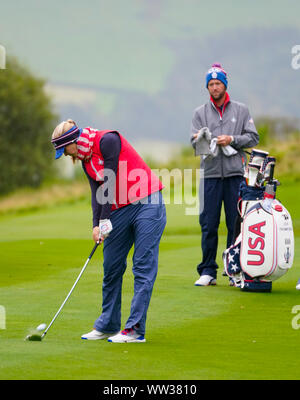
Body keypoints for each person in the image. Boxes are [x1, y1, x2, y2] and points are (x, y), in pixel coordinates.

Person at [51, 120, 166, 342]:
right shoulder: (86, 161)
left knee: (142, 266)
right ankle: (108, 324)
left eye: (64, 150)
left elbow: (109, 182)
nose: (65, 155)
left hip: (147, 202)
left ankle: (134, 330)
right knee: (112, 265)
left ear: (73, 142)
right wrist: (96, 225)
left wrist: (105, 219)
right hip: (120, 209)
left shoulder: (107, 140)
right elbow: (97, 193)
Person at [190, 63, 259, 286]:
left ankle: (234, 269)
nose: (214, 87)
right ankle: (208, 270)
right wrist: (201, 138)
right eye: (210, 84)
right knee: (209, 223)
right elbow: (193, 143)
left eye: (218, 83)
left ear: (225, 85)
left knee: (235, 222)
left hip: (235, 174)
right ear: (207, 87)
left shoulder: (241, 110)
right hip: (210, 174)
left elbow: (253, 137)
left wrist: (232, 140)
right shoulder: (199, 113)